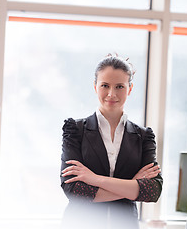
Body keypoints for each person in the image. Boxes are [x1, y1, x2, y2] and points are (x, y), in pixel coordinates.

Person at [60, 54, 163, 229]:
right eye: (105, 86)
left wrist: (94, 179)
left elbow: (152, 191)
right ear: (95, 87)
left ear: (130, 89)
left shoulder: (144, 136)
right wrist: (131, 186)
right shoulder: (75, 130)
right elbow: (74, 189)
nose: (111, 94)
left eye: (119, 86)